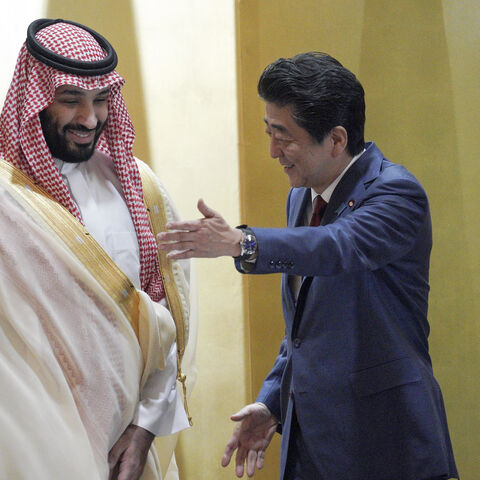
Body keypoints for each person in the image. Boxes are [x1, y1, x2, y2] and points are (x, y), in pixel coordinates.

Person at [157, 52, 458, 480]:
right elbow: (305, 326)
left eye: (283, 136)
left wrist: (240, 242)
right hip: (310, 446)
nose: (272, 151)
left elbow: (338, 245)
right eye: (268, 132)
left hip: (387, 442)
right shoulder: (301, 195)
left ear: (336, 140)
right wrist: (273, 401)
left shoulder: (396, 193)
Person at [0, 19, 193, 480]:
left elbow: (165, 319)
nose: (89, 118)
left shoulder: (141, 190)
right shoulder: (6, 199)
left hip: (124, 448)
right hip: (28, 451)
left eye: (101, 100)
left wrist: (147, 423)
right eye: (71, 101)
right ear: (36, 100)